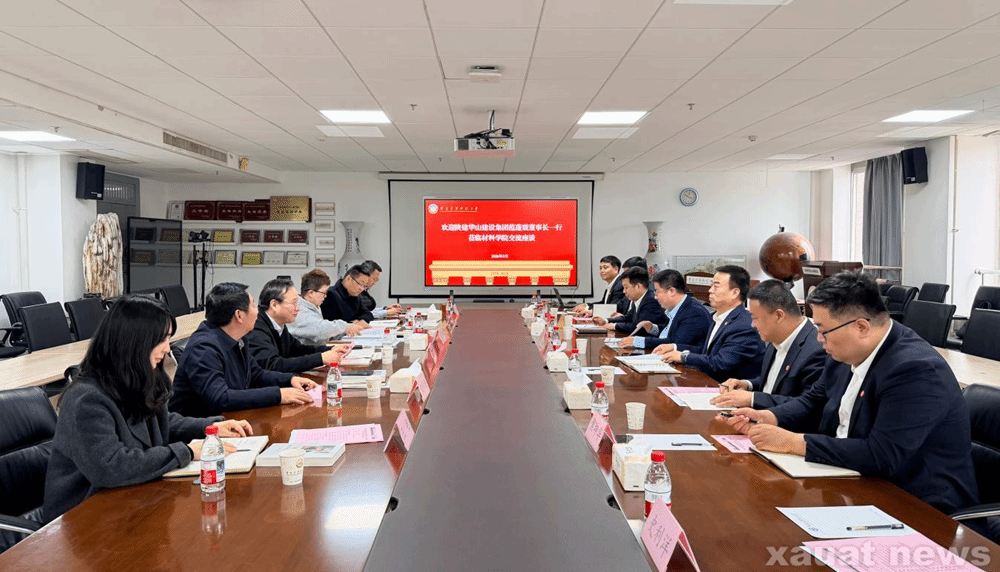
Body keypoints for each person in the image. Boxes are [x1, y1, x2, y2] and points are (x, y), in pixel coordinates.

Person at [721, 271, 978, 515]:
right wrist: (770, 416)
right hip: (849, 479)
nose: (818, 339)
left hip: (916, 503)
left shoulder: (914, 370)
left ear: (862, 327)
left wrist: (793, 442)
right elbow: (814, 399)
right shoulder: (845, 351)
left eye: (823, 330)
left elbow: (881, 455)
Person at [43, 295, 252, 521]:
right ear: (135, 341)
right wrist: (188, 451)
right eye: (162, 338)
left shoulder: (138, 378)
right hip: (86, 517)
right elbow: (112, 466)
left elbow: (163, 422)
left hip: (131, 502)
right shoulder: (86, 399)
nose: (168, 348)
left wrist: (211, 427)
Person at [170, 283, 317, 417]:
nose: (258, 311)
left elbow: (256, 374)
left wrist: (290, 379)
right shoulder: (203, 348)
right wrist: (278, 395)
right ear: (239, 315)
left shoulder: (238, 338)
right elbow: (221, 398)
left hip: (232, 420)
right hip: (202, 431)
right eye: (253, 305)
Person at [710, 279, 825, 409]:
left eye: (755, 318)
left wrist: (753, 398)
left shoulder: (816, 350)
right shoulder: (775, 337)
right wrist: (747, 384)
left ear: (778, 316)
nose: (753, 325)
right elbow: (774, 382)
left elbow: (807, 405)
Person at [656, 265, 764, 382]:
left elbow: (720, 363)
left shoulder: (743, 325)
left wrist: (684, 357)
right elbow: (706, 353)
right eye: (711, 285)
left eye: (716, 286)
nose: (710, 290)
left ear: (735, 293)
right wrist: (674, 347)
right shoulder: (718, 317)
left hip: (728, 388)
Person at [245, 278, 350, 374]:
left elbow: (299, 350)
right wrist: (320, 358)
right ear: (274, 305)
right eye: (294, 303)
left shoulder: (279, 325)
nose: (298, 308)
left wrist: (330, 349)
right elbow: (273, 365)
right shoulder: (256, 329)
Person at [620, 269, 712, 352]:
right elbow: (668, 334)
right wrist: (653, 329)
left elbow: (675, 344)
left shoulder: (693, 313)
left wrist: (639, 341)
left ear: (672, 291)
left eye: (657, 292)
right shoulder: (675, 308)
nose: (655, 297)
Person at [287, 269, 365, 345]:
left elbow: (324, 335)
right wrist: (345, 326)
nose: (325, 296)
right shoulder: (299, 311)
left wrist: (344, 332)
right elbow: (319, 329)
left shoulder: (314, 307)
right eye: (323, 293)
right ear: (311, 293)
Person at [592, 267, 666, 335]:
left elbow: (639, 327)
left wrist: (615, 326)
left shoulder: (651, 301)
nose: (624, 291)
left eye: (626, 287)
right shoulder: (637, 299)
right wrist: (606, 320)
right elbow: (627, 317)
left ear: (638, 286)